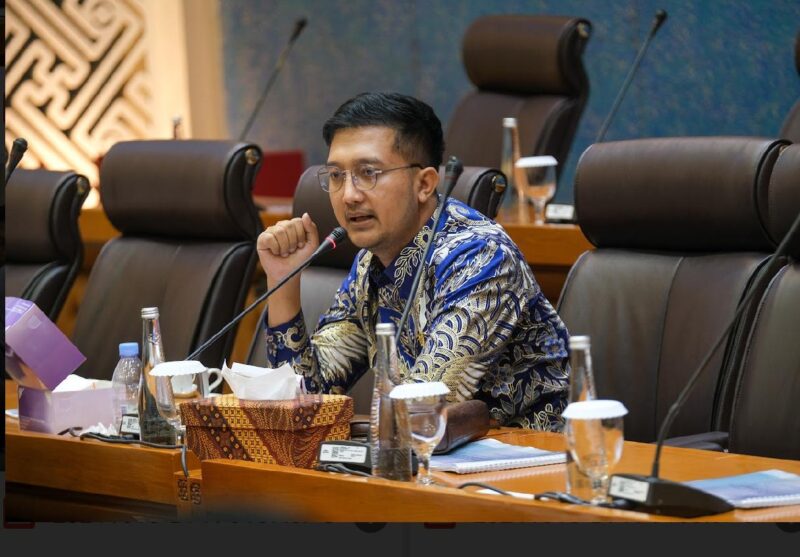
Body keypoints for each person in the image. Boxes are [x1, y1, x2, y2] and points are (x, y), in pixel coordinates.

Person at [258, 92, 570, 429]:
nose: (348, 195)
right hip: (429, 458)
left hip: (530, 457)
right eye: (336, 175)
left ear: (424, 184)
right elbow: (303, 403)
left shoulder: (481, 259)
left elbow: (421, 413)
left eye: (368, 172)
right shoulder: (369, 264)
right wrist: (283, 281)